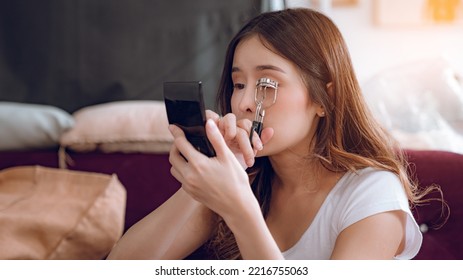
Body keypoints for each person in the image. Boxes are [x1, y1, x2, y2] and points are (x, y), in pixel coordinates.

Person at [107, 8, 429, 260]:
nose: (245, 103)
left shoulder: (373, 194)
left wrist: (239, 208)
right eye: (239, 85)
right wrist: (199, 182)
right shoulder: (245, 180)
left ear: (324, 98)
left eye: (267, 84)